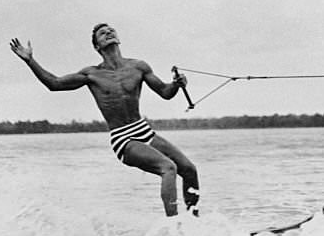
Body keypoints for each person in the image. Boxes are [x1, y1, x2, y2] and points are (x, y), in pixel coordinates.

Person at [10, 23, 199, 217]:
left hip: (144, 131)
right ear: (97, 47)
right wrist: (30, 60)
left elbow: (165, 92)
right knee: (168, 168)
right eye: (102, 33)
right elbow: (54, 84)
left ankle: (193, 223)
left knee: (189, 170)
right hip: (124, 139)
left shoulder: (139, 67)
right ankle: (174, 228)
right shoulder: (91, 74)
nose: (108, 33)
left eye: (111, 30)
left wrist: (176, 84)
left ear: (118, 38)